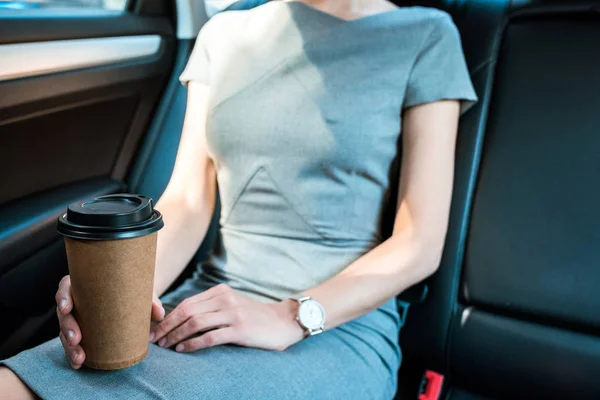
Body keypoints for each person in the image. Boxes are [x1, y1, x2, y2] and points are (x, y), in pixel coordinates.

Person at [0, 0, 477, 398]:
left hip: (336, 326)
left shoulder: (425, 35)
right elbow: (189, 201)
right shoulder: (222, 34)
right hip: (207, 303)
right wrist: (121, 289)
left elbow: (420, 242)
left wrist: (289, 315)